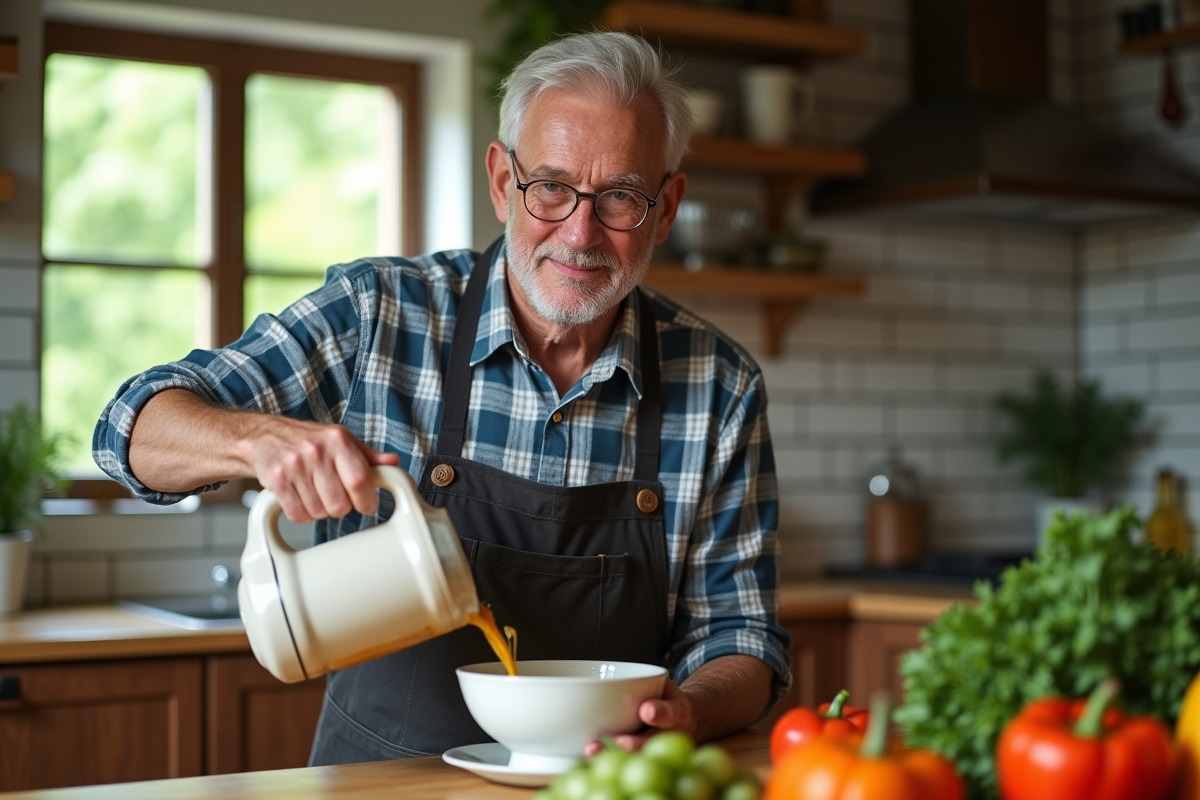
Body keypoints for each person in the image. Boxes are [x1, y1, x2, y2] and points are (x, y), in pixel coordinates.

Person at [94, 30, 790, 765]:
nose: (579, 233)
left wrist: (692, 710)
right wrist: (256, 441)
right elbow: (125, 429)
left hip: (597, 784)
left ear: (667, 205)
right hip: (379, 784)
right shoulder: (378, 315)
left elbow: (741, 640)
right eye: (551, 186)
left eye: (619, 196)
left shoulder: (718, 385)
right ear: (501, 181)